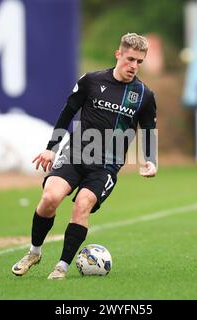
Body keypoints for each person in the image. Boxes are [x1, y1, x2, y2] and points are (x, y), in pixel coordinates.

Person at [11, 33, 157, 280]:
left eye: (139, 61)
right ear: (118, 54)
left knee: (82, 205)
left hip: (106, 165)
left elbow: (149, 130)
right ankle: (34, 252)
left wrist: (150, 159)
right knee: (49, 198)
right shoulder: (91, 80)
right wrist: (51, 147)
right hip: (76, 153)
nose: (134, 66)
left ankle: (62, 267)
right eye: (130, 59)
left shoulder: (144, 95)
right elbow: (67, 112)